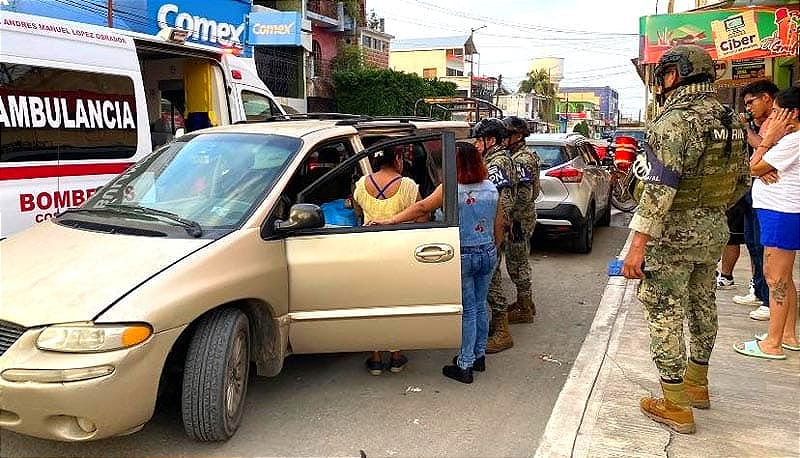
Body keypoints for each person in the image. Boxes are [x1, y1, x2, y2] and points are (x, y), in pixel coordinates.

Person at [622, 45, 750, 434]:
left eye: (661, 76)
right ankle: (698, 384)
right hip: (712, 231)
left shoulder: (674, 122)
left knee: (664, 313)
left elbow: (657, 190)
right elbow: (741, 182)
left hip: (671, 235)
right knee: (702, 305)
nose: (659, 84)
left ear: (674, 75)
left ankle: (675, 403)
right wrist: (708, 212)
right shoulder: (731, 119)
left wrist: (637, 247)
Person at [368, 141, 504, 384]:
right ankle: (479, 355)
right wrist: (493, 248)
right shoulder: (491, 188)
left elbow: (421, 207)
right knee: (481, 305)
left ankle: (465, 364)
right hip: (487, 252)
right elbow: (499, 225)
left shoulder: (450, 189)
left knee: (469, 310)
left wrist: (390, 220)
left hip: (464, 254)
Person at [734, 86, 800, 359]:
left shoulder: (792, 140)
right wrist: (764, 166)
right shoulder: (790, 140)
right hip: (780, 212)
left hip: (781, 212)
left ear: (791, 113)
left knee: (775, 278)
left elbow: (753, 167)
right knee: (784, 278)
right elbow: (760, 169)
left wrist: (767, 141)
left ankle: (772, 343)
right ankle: (787, 335)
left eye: (775, 112)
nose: (771, 119)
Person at [353, 145, 422, 375]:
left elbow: (357, 210)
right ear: (398, 159)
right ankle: (395, 356)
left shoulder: (361, 185)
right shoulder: (408, 186)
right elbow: (424, 215)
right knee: (396, 301)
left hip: (368, 251)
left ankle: (374, 358)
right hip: (398, 251)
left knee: (372, 302)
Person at [733, 80, 780, 320]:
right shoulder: (764, 123)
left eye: (752, 102)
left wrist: (745, 130)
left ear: (767, 98)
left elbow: (763, 153)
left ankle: (768, 299)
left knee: (764, 248)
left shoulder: (778, 122)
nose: (748, 108)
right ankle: (759, 290)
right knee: (752, 244)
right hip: (756, 192)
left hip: (773, 196)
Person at [476, 118, 518, 353]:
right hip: (494, 229)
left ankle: (503, 332)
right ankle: (497, 325)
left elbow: (498, 202)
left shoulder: (498, 163)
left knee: (491, 280)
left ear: (490, 140)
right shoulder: (496, 159)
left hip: (493, 230)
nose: (476, 144)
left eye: (479, 139)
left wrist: (495, 235)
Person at [502, 116, 541, 324]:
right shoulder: (518, 155)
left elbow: (524, 196)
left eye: (507, 135)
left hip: (518, 220)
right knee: (518, 260)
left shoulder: (521, 160)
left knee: (517, 263)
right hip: (521, 218)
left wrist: (509, 218)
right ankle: (525, 302)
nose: (503, 139)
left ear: (517, 136)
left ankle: (525, 307)